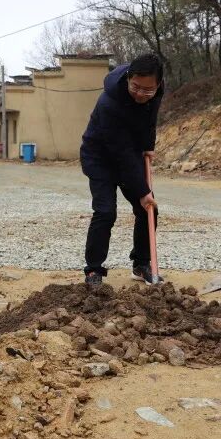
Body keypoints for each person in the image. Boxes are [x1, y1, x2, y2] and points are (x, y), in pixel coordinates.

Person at [79, 53, 164, 287]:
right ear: (128, 78)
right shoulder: (110, 102)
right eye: (135, 87)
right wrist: (143, 190)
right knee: (106, 211)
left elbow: (150, 118)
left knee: (148, 209)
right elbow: (121, 153)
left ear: (158, 85)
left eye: (148, 90)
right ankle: (93, 270)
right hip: (99, 157)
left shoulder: (155, 92)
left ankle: (141, 264)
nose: (140, 94)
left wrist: (148, 145)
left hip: (128, 152)